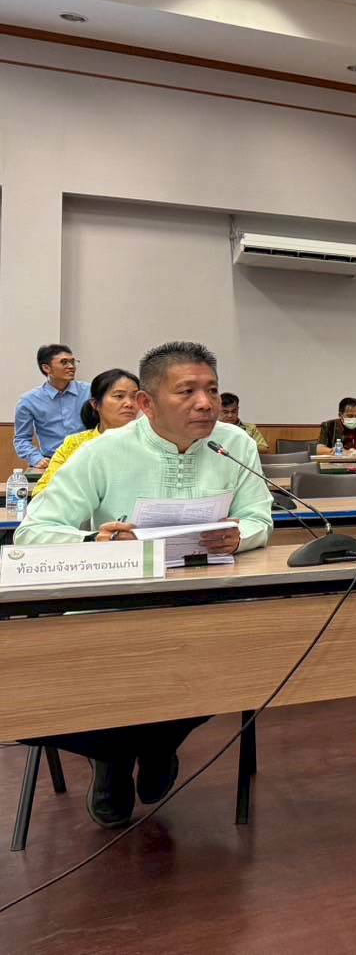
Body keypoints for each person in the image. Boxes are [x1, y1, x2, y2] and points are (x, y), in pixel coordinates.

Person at [16, 341, 271, 828]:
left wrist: (241, 535)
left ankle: (158, 745)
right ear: (147, 403)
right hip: (116, 612)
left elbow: (260, 517)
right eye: (188, 392)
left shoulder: (233, 445)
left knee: (225, 660)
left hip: (203, 606)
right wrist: (94, 540)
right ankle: (114, 759)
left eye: (212, 390)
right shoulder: (103, 451)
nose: (206, 403)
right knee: (108, 668)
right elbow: (34, 531)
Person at [32, 368, 141, 497]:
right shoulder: (74, 444)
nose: (129, 403)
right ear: (95, 404)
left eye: (135, 397)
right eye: (119, 396)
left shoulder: (148, 441)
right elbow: (41, 493)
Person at [13, 343, 86, 470]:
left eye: (72, 362)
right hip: (52, 463)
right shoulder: (29, 400)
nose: (71, 366)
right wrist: (37, 459)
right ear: (46, 368)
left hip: (87, 461)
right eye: (64, 362)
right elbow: (22, 439)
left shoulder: (90, 392)